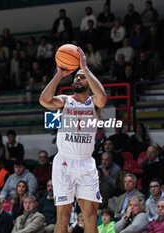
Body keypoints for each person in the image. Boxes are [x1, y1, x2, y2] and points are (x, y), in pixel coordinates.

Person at [39, 46, 107, 233]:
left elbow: (102, 96)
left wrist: (85, 68)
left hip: (86, 163)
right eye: (76, 76)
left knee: (91, 216)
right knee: (63, 216)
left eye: (81, 76)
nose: (78, 78)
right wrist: (60, 74)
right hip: (64, 163)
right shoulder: (65, 101)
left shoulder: (94, 103)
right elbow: (44, 100)